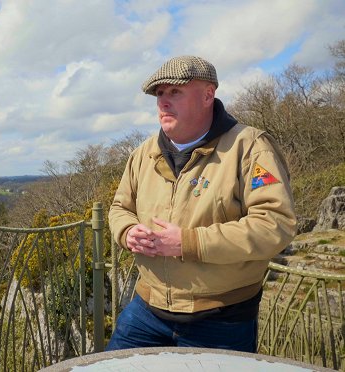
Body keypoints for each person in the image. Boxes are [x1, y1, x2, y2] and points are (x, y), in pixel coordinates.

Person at [107, 56, 297, 352]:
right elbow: (119, 208)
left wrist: (188, 242)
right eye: (159, 94)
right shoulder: (142, 154)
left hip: (222, 318)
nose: (163, 102)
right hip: (147, 308)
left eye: (175, 92)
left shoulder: (249, 147)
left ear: (208, 95)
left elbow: (275, 225)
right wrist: (127, 230)